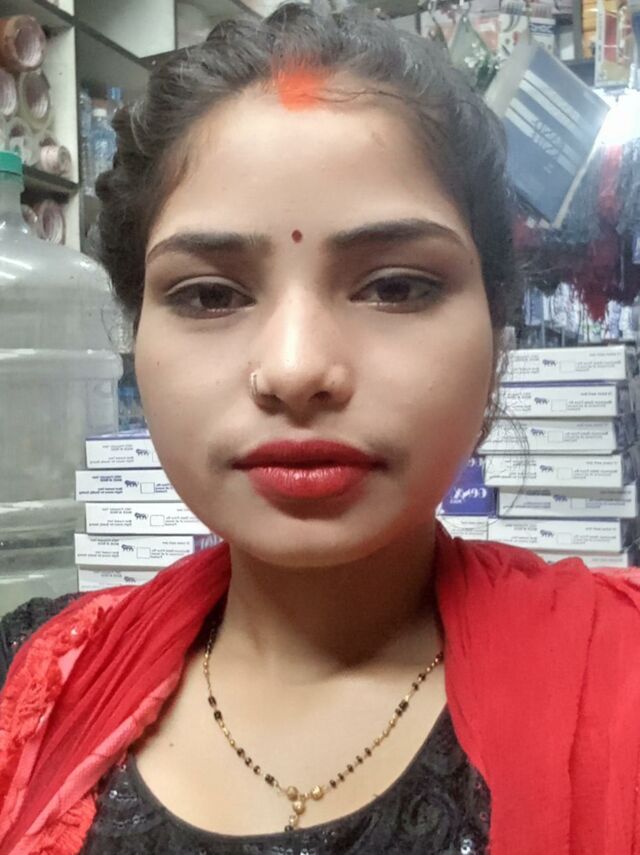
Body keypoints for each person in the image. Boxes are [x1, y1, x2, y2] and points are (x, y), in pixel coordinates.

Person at [2, 4, 640, 854]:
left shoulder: (620, 682)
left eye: (396, 287)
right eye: (210, 294)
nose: (297, 368)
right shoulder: (34, 683)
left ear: (497, 333)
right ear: (135, 335)